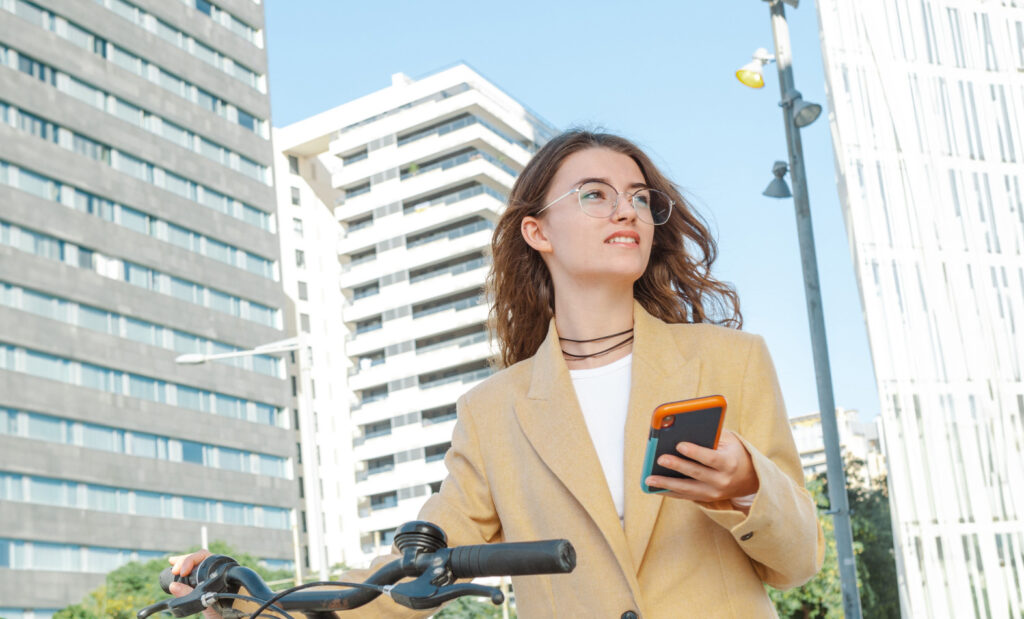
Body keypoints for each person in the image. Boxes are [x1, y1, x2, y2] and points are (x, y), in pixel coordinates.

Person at [170, 130, 824, 617]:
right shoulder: (495, 409)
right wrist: (251, 596)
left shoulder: (730, 359)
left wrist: (746, 485)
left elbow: (799, 561)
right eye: (594, 194)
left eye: (638, 197)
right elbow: (409, 572)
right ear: (538, 230)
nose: (625, 210)